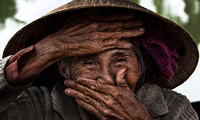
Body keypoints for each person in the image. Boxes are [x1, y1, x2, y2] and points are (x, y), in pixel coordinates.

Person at [0, 0, 199, 119]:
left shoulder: (173, 107)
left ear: (142, 65)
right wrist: (52, 46)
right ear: (65, 70)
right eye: (89, 62)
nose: (106, 78)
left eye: (120, 60)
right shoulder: (38, 105)